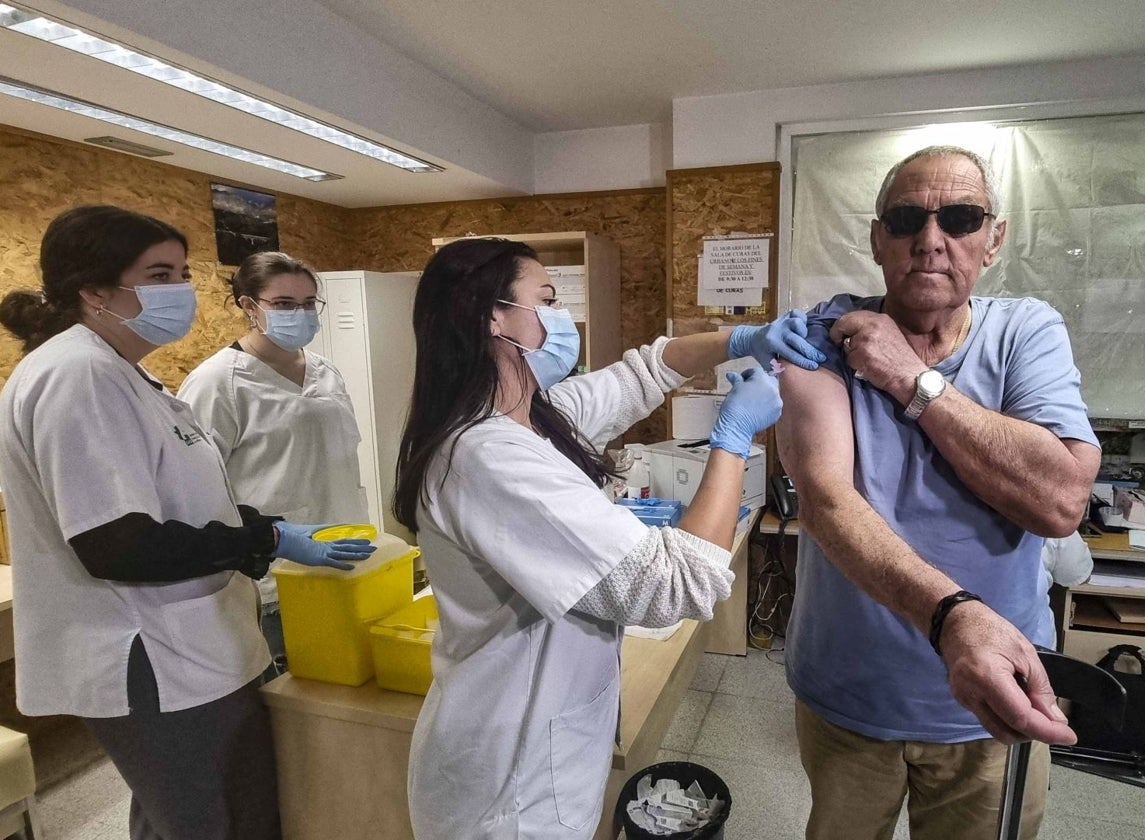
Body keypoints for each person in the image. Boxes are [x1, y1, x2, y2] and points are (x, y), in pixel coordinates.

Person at [396, 237, 823, 838]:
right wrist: (732, 438)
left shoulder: (530, 415)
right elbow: (675, 583)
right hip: (509, 783)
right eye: (545, 300)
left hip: (544, 741)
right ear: (492, 315)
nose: (559, 318)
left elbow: (641, 375)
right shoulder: (485, 455)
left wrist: (742, 339)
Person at [0, 205, 375, 840]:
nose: (181, 291)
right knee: (215, 819)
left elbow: (187, 502)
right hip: (149, 651)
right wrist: (270, 539)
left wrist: (263, 524)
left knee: (190, 810)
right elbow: (117, 545)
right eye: (159, 274)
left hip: (197, 637)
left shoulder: (128, 375)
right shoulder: (78, 375)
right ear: (93, 290)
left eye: (180, 273)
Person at [775, 146, 1102, 840]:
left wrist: (910, 379)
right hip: (849, 697)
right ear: (876, 237)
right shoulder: (823, 334)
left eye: (959, 218)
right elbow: (827, 502)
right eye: (906, 219)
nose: (931, 240)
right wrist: (952, 616)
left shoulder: (1025, 331)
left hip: (991, 701)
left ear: (993, 239)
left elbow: (1059, 502)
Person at [178, 251, 369, 680]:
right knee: (290, 699)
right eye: (284, 304)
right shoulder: (218, 383)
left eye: (307, 303)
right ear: (249, 306)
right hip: (274, 580)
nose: (299, 314)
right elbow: (194, 489)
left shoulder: (325, 372)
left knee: (345, 693)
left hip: (343, 553)